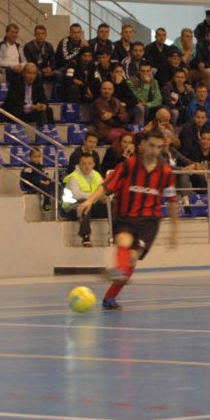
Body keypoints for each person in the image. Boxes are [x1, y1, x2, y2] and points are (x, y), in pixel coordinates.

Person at [76, 129, 180, 310]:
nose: (154, 150)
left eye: (158, 147)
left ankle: (110, 295)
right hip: (124, 215)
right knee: (123, 243)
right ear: (142, 145)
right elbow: (106, 186)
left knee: (132, 257)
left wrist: (175, 230)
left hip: (149, 221)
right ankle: (118, 272)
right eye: (151, 145)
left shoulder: (165, 172)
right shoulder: (128, 166)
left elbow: (172, 201)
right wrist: (90, 201)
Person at [62, 152, 106, 247]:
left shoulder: (97, 175)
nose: (87, 166)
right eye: (84, 163)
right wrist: (94, 197)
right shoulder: (74, 177)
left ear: (93, 164)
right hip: (71, 207)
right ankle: (85, 236)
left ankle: (116, 233)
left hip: (91, 205)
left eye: (89, 163)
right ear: (79, 165)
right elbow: (76, 194)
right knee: (84, 204)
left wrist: (104, 198)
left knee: (112, 204)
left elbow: (104, 190)